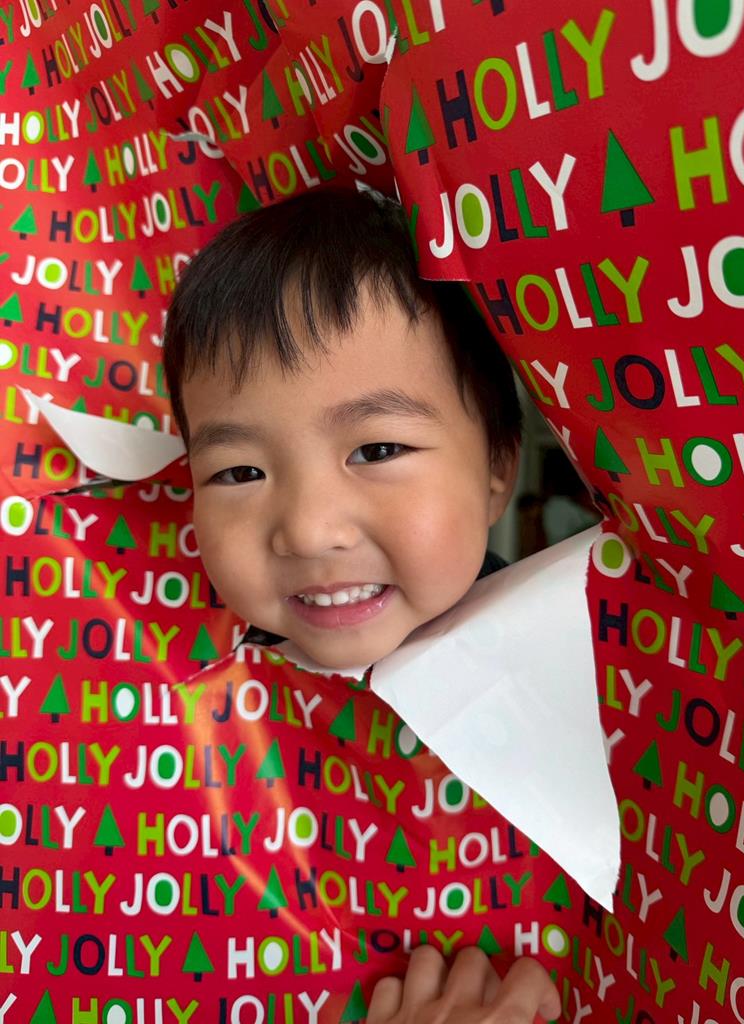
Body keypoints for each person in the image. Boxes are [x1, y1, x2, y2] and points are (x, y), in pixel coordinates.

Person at [163, 188, 560, 1020]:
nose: (308, 530)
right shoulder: (178, 717)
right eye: (238, 472)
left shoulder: (592, 697)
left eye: (376, 449)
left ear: (497, 466)